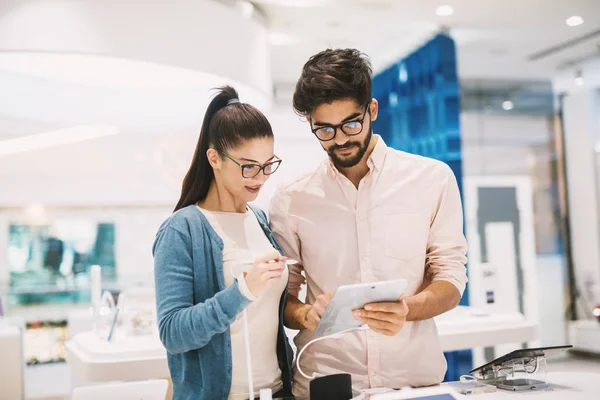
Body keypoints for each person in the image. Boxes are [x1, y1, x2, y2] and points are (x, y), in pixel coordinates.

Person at [269, 49, 468, 398]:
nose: (341, 139)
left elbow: (450, 278)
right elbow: (284, 298)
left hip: (413, 382)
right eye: (325, 130)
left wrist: (407, 309)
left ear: (372, 110)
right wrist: (305, 315)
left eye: (350, 123)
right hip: (326, 382)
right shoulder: (291, 199)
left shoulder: (431, 179)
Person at [153, 86, 294, 400]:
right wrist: (242, 291)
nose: (260, 177)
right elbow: (173, 333)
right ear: (214, 158)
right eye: (248, 166)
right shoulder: (182, 229)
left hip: (277, 392)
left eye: (268, 164)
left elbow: (270, 316)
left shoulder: (260, 220)